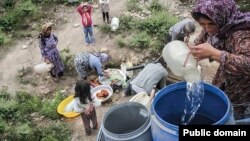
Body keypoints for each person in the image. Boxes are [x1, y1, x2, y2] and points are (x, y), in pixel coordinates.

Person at [189, 0, 250, 119]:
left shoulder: (242, 33)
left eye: (211, 24)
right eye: (202, 24)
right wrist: (192, 50)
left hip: (245, 84)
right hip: (226, 74)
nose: (207, 29)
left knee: (235, 110)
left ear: (222, 19)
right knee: (218, 98)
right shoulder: (216, 25)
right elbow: (201, 40)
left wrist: (214, 53)